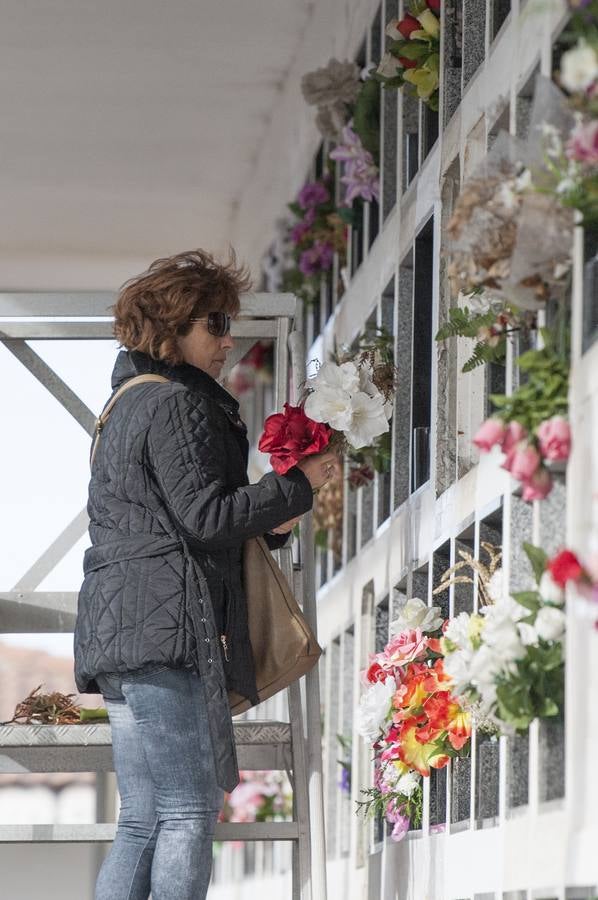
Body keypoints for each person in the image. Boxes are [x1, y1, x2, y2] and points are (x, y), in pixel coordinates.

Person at [73, 248, 339, 900]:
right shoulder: (176, 405)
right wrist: (295, 486)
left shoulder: (123, 406)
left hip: (120, 636)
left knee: (141, 818)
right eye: (215, 323)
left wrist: (268, 519)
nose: (228, 340)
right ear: (174, 323)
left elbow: (172, 517)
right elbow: (205, 515)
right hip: (168, 635)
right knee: (189, 810)